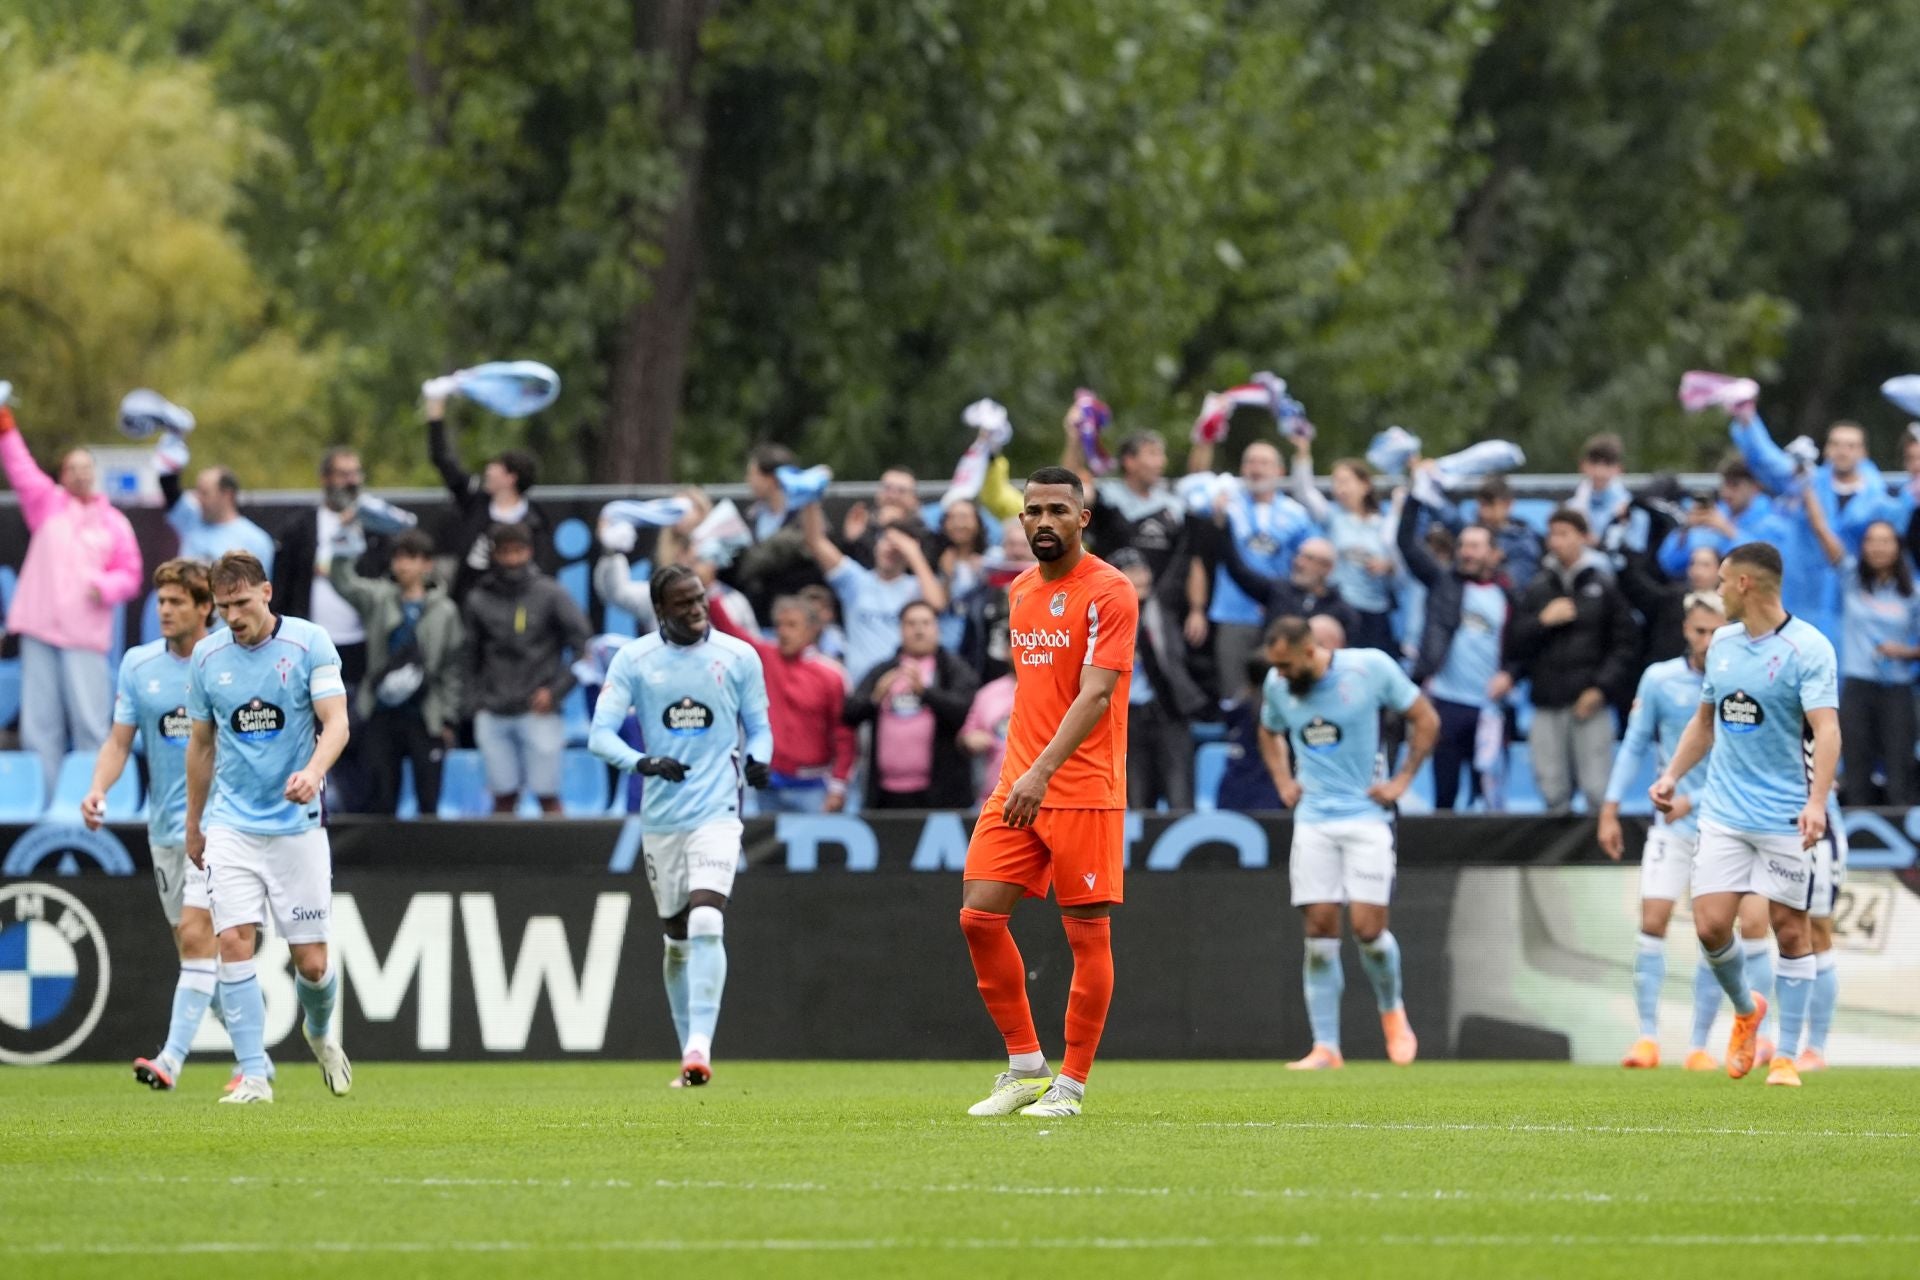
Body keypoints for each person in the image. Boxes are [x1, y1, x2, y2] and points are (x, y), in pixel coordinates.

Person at [958, 466, 1137, 1119]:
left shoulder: (1110, 591)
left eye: (1057, 510)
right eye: (1032, 510)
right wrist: (1023, 772)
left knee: (1087, 935)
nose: (1041, 521)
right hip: (1019, 780)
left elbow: (1095, 694)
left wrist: (1040, 773)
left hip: (1082, 786)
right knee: (979, 915)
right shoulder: (1021, 590)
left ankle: (1072, 1084)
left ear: (1082, 518)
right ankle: (1025, 1065)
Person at [1649, 542, 1842, 1087]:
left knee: (1790, 931)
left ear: (1744, 586)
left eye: (1723, 580)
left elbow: (1827, 729)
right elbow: (1704, 723)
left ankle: (1786, 1055)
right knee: (1711, 927)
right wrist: (1671, 776)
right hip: (1725, 814)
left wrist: (1816, 803)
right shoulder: (1725, 645)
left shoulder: (1809, 649)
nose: (1715, 591)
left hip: (1784, 815)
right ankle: (1745, 1010)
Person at [588, 564, 773, 1087]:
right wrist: (642, 762)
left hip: (719, 812)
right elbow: (600, 736)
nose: (697, 609)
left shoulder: (738, 657)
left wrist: (758, 759)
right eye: (684, 603)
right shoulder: (635, 660)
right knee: (676, 939)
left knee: (707, 921)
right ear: (661, 610)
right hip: (663, 818)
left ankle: (699, 1049)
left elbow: (760, 727)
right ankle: (685, 1046)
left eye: (700, 599)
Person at [184, 550, 353, 1104]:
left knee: (313, 962)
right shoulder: (207, 658)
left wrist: (313, 772)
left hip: (297, 825)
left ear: (267, 592)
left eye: (241, 603)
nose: (232, 617)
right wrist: (194, 823)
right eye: (223, 607)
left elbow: (337, 724)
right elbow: (202, 745)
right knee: (232, 940)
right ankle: (253, 1073)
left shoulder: (310, 644)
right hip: (231, 823)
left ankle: (320, 1031)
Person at [85, 560, 248, 1092]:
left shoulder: (229, 659)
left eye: (177, 602)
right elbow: (118, 741)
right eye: (160, 602)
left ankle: (171, 1060)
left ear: (206, 609)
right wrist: (97, 790)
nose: (165, 611)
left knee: (202, 941)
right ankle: (255, 1054)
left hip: (220, 827)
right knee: (193, 948)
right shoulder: (138, 665)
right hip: (165, 832)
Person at [1598, 593, 1778, 1070]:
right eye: (1698, 631)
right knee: (1652, 922)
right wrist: (1610, 808)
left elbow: (1749, 760)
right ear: (1685, 630)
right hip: (1672, 829)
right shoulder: (1660, 679)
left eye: (1714, 631)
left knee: (1717, 930)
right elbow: (1636, 742)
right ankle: (1648, 1039)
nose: (1705, 640)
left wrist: (1690, 799)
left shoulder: (1745, 682)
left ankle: (1700, 1044)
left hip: (1728, 824)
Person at [1258, 616, 1439, 1069]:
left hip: (1365, 815)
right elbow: (1268, 729)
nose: (1278, 675)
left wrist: (1402, 781)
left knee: (1368, 930)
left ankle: (1393, 1011)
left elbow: (1425, 718)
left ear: (1309, 650)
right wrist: (1282, 777)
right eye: (1274, 667)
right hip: (1314, 819)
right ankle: (1326, 1047)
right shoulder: (1277, 685)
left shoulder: (1369, 668)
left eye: (1285, 665)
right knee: (1319, 930)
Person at [0, 401, 144, 798]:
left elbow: (130, 575)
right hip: (40, 628)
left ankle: (94, 797)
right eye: (72, 468)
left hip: (84, 634)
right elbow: (20, 466)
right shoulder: (45, 505)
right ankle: (41, 800)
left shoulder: (115, 523)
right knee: (39, 723)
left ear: (95, 475)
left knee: (90, 722)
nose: (80, 474)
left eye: (87, 468)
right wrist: (5, 423)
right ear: (62, 476)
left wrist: (106, 586)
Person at [1505, 509, 1638, 812]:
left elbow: (1625, 645)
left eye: (1565, 534)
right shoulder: (1538, 587)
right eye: (1553, 534)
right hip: (1547, 701)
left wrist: (1601, 689)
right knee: (1552, 789)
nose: (1557, 541)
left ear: (1582, 537)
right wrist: (1542, 621)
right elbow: (1515, 643)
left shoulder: (1603, 586)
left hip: (1589, 702)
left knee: (1596, 789)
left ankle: (1602, 854)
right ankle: (1556, 858)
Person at [328, 529, 465, 817]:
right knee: (381, 797)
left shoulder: (445, 610)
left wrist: (448, 717)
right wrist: (342, 548)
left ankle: (428, 861)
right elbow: (343, 582)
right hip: (381, 712)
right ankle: (383, 861)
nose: (403, 565)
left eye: (411, 558)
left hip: (425, 714)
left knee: (428, 797)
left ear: (427, 564)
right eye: (398, 558)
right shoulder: (378, 597)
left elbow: (453, 667)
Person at [1396, 488, 1518, 811]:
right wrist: (1415, 497)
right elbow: (1407, 545)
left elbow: (1524, 644)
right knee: (1445, 792)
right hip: (1447, 703)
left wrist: (1512, 674)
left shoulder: (1510, 596)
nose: (1467, 553)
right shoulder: (1443, 582)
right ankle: (1443, 861)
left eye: (1476, 547)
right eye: (1463, 545)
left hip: (1489, 707)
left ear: (1494, 553)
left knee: (1488, 794)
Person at [1727, 408, 1897, 638]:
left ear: (1863, 452)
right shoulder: (1806, 483)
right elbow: (1768, 462)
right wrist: (1747, 419)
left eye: (1851, 445)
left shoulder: (1877, 498)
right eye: (1836, 444)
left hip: (1855, 606)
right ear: (1826, 449)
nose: (1842, 451)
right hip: (1801, 596)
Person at [461, 522, 592, 814]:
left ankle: (560, 858)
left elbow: (585, 646)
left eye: (517, 551)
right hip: (493, 710)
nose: (511, 560)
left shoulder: (550, 593)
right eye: (504, 552)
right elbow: (468, 655)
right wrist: (476, 702)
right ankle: (502, 859)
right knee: (502, 798)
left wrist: (555, 693)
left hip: (538, 710)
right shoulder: (478, 598)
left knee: (548, 796)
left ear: (529, 552)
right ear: (493, 555)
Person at [1803, 502, 1919, 807]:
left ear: (1897, 547)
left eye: (1886, 541)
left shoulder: (1913, 594)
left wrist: (1904, 651)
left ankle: (1905, 847)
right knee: (1855, 763)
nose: (1878, 548)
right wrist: (1809, 495)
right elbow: (1824, 535)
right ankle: (1857, 839)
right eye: (1871, 541)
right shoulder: (1852, 579)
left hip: (1898, 690)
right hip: (1858, 687)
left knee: (1900, 765)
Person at [1185, 440, 1316, 701]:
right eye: (1250, 462)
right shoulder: (1227, 503)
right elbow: (1191, 488)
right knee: (1235, 690)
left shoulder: (1296, 514)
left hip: (1278, 614)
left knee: (1280, 688)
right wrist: (1205, 435)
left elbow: (1312, 560)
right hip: (1232, 612)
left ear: (1279, 470)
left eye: (1264, 462)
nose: (1256, 469)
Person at [709, 594, 855, 814]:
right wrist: (711, 593)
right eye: (779, 625)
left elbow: (844, 736)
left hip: (813, 787)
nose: (783, 632)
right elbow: (731, 632)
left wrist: (839, 787)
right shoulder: (765, 657)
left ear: (812, 629)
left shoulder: (832, 675)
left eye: (792, 625)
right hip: (770, 784)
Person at [844, 601, 979, 809]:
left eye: (925, 623)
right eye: (911, 624)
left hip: (941, 794)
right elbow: (849, 713)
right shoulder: (883, 670)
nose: (918, 630)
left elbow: (963, 712)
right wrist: (875, 698)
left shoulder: (954, 669)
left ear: (937, 628)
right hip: (885, 795)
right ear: (900, 629)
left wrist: (925, 693)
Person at [801, 495, 947, 684]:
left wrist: (913, 552)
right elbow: (816, 541)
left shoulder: (917, 586)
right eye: (885, 541)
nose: (890, 549)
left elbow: (937, 604)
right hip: (860, 688)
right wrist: (810, 498)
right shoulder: (856, 580)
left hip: (903, 689)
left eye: (897, 546)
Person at [425, 386, 552, 601]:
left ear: (511, 477)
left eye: (495, 467)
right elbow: (442, 460)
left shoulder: (535, 521)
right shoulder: (476, 501)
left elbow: (541, 569)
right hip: (470, 599)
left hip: (513, 604)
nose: (488, 471)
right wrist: (435, 409)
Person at [1113, 549, 1207, 810]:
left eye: (1142, 569)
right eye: (1129, 571)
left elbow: (1182, 565)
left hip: (1168, 711)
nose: (1139, 576)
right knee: (1136, 797)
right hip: (1126, 717)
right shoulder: (1103, 618)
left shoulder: (1162, 606)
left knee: (1180, 796)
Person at [1289, 445, 1395, 651]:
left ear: (1365, 485)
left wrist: (1387, 567)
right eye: (1335, 482)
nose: (1339, 488)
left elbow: (1399, 565)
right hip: (1340, 608)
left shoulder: (1384, 524)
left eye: (1345, 481)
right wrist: (1302, 453)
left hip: (1374, 611)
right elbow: (1304, 492)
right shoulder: (1333, 517)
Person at [1063, 424, 1188, 588]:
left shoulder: (1172, 506)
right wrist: (1075, 438)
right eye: (1152, 454)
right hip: (1107, 595)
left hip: (1157, 604)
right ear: (1129, 461)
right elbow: (1068, 491)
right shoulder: (1106, 497)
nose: (1161, 462)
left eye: (1161, 455)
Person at [1211, 527, 1362, 641]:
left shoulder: (1343, 613)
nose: (1299, 562)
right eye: (1299, 555)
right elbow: (1239, 571)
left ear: (1327, 568)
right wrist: (1223, 527)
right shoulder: (1278, 591)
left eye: (1309, 558)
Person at [1655, 459, 1784, 579]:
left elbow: (1768, 569)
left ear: (1755, 487)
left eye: (1735, 485)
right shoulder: (1716, 515)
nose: (1726, 493)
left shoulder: (1774, 522)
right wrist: (1687, 529)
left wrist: (1728, 531)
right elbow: (1669, 564)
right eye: (1724, 485)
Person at [162, 465, 275, 572]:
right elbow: (170, 491)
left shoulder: (256, 541)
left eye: (205, 493)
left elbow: (260, 588)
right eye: (197, 492)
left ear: (227, 495)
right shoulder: (192, 520)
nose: (198, 499)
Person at [1471, 477, 1542, 590]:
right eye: (1481, 504)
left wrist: (1489, 567)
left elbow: (1517, 582)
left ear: (1508, 504)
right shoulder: (1471, 532)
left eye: (1490, 504)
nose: (1484, 512)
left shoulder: (1523, 541)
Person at [1569, 433, 1631, 545]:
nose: (1599, 470)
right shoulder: (1571, 508)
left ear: (1619, 468)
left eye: (1608, 463)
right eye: (1594, 462)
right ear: (1583, 465)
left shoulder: (1630, 508)